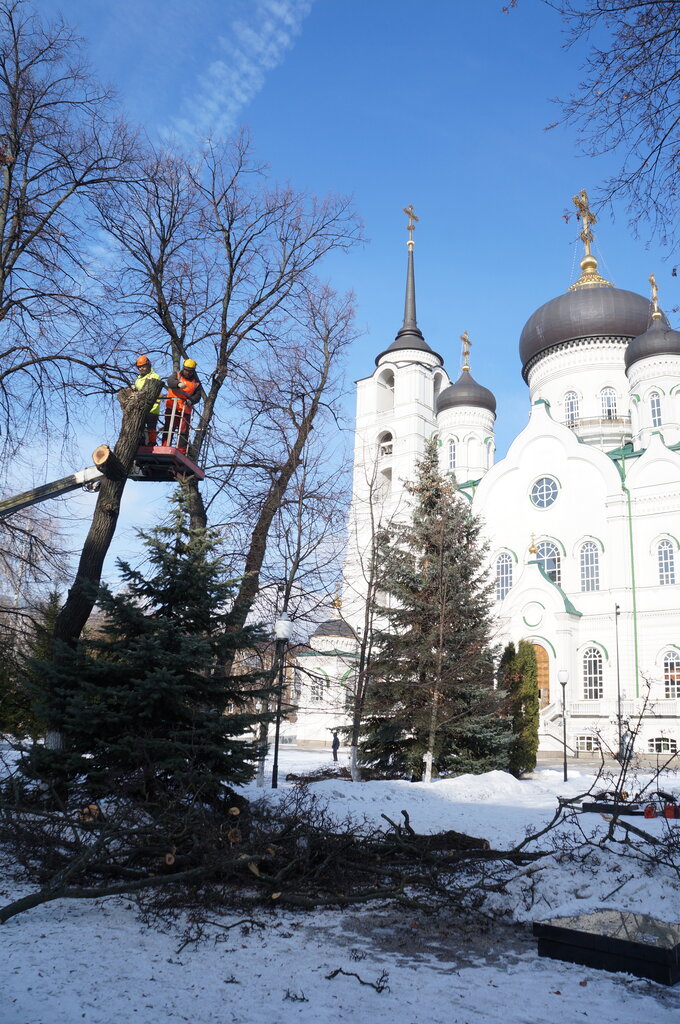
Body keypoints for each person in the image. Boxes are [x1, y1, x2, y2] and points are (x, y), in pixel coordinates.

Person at [162, 358, 203, 453]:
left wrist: (191, 400)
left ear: (193, 371)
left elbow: (198, 396)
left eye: (190, 371)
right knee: (169, 427)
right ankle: (165, 445)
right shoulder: (176, 375)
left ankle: (181, 450)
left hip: (185, 409)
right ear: (183, 368)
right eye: (186, 370)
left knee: (184, 430)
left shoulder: (196, 383)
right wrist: (178, 384)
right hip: (172, 406)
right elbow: (170, 381)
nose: (187, 373)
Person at [133, 355, 161, 445]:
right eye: (139, 367)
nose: (141, 368)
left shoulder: (154, 376)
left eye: (143, 366)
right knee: (139, 426)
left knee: (151, 427)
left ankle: (152, 443)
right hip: (140, 407)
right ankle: (141, 442)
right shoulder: (138, 380)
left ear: (148, 365)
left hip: (153, 407)